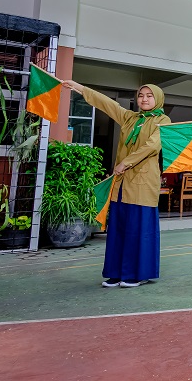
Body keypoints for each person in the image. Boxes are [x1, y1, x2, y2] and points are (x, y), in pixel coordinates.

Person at [61, 80, 170, 288]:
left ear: (158, 99)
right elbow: (106, 103)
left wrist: (125, 163)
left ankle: (137, 273)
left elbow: (151, 146)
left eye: (149, 96)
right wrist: (80, 88)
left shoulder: (163, 121)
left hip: (143, 183)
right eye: (141, 95)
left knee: (138, 230)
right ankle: (115, 272)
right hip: (121, 184)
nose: (144, 99)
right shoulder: (129, 118)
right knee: (118, 229)